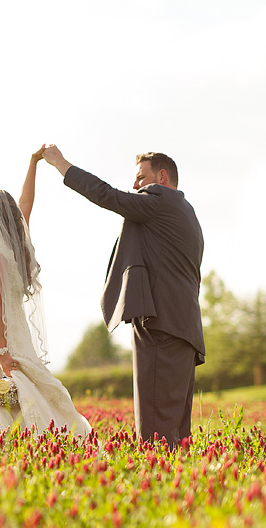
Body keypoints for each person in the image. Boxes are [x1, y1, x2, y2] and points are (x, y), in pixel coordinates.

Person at [42, 145, 204, 447]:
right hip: (185, 330)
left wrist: (61, 164)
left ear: (162, 177)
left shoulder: (158, 201)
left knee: (155, 434)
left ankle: (159, 489)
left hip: (161, 327)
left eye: (141, 178)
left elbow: (108, 195)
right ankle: (181, 489)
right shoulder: (187, 212)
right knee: (177, 433)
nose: (135, 186)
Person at [0, 146, 91, 438]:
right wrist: (32, 163)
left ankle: (1, 440)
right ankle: (10, 438)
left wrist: (1, 351)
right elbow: (26, 204)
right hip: (0, 330)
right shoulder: (12, 247)